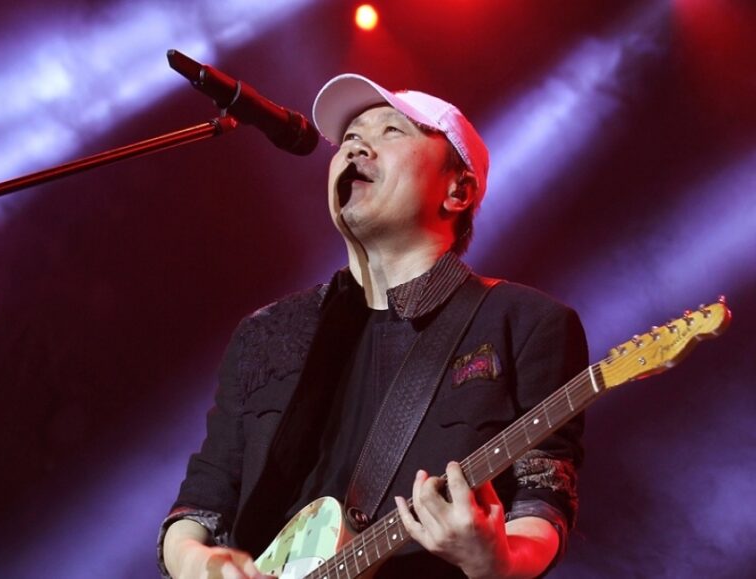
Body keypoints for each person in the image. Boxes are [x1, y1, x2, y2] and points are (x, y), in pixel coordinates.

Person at [159, 74, 587, 579]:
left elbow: (544, 499)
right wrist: (204, 565)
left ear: (458, 190)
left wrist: (495, 562)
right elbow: (199, 508)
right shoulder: (267, 332)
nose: (357, 145)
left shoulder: (525, 324)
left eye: (391, 131)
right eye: (351, 137)